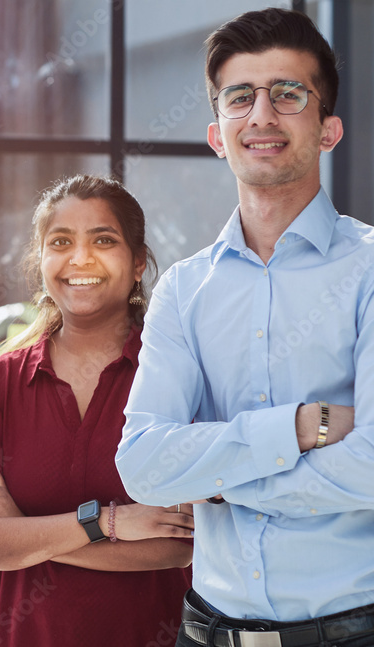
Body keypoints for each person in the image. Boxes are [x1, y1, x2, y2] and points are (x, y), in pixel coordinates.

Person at [115, 8, 374, 647]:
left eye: (288, 95)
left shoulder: (370, 270)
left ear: (328, 128)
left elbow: (371, 465)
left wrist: (220, 481)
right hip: (205, 630)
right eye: (240, 98)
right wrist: (297, 427)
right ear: (217, 132)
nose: (261, 116)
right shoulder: (183, 288)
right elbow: (143, 468)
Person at [0, 174, 194, 647]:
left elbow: (174, 546)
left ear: (138, 262)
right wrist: (107, 523)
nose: (80, 258)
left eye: (103, 239)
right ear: (41, 262)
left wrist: (20, 532)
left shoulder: (176, 377)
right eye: (61, 242)